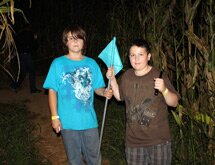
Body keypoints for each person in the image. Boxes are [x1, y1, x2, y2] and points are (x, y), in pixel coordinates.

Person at [43, 25, 112, 165]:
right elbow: (52, 91)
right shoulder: (57, 63)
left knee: (94, 157)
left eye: (78, 38)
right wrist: (54, 117)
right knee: (74, 159)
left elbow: (97, 88)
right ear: (65, 42)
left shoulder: (92, 63)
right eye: (71, 38)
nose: (75, 42)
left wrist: (104, 92)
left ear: (84, 42)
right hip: (67, 122)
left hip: (89, 121)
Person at [106, 39, 180, 165]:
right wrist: (112, 79)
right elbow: (119, 97)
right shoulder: (127, 76)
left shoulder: (159, 75)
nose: (136, 59)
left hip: (159, 141)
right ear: (129, 57)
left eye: (141, 54)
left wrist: (164, 90)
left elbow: (174, 103)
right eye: (132, 55)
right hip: (133, 142)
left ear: (149, 56)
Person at [11, 23, 41, 93]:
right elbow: (34, 46)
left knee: (23, 72)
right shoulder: (30, 34)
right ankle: (33, 89)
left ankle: (15, 86)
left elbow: (16, 44)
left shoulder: (19, 34)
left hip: (21, 55)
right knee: (32, 71)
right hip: (27, 55)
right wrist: (35, 39)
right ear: (28, 27)